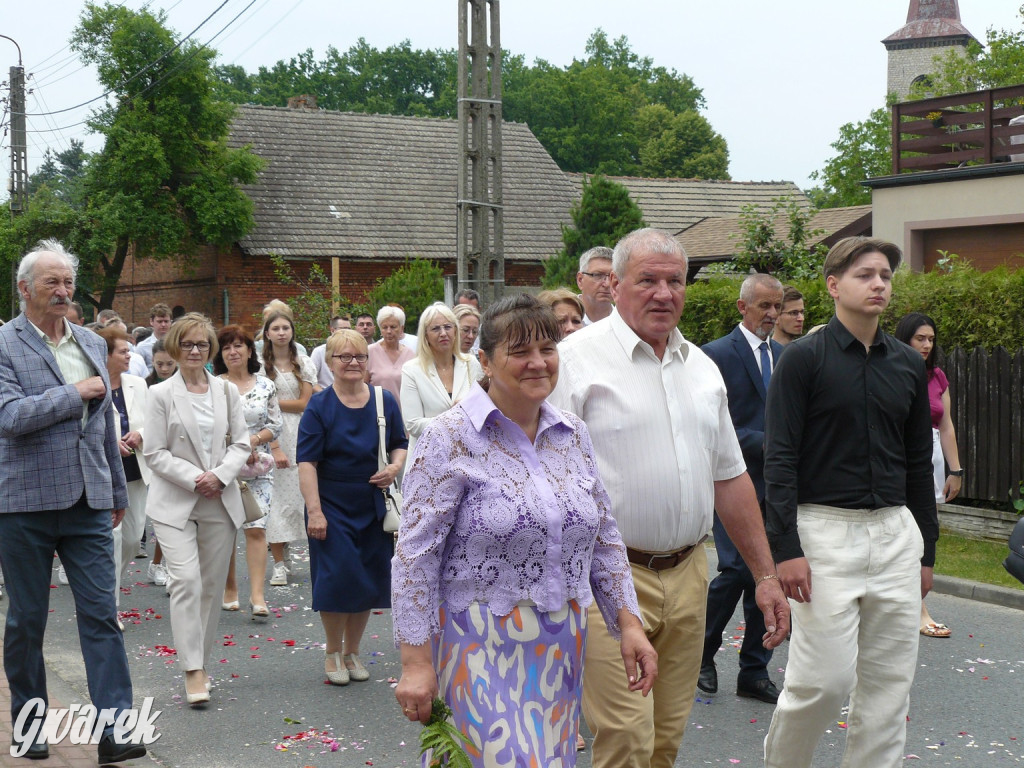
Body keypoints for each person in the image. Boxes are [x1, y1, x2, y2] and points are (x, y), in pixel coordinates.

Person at [549, 228, 788, 768]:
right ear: (613, 284)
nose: (663, 293)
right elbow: (547, 481)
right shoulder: (575, 362)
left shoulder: (703, 370)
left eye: (674, 281)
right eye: (647, 280)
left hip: (688, 574)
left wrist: (766, 576)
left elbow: (730, 479)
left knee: (664, 741)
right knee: (626, 740)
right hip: (606, 579)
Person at [393, 294, 657, 766]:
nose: (537, 363)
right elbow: (415, 555)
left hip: (560, 644)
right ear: (485, 362)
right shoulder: (448, 436)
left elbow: (604, 540)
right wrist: (415, 663)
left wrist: (629, 625)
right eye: (519, 352)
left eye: (547, 349)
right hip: (476, 642)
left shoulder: (571, 433)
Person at [762, 237, 939, 768]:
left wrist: (926, 551)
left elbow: (916, 465)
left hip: (894, 535)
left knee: (889, 689)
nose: (879, 284)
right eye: (865, 274)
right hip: (823, 534)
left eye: (885, 274)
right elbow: (781, 459)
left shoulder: (909, 364)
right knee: (822, 681)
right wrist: (785, 547)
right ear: (834, 285)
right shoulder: (801, 360)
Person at [0, 240, 145, 764]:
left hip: (87, 501)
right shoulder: (3, 344)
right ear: (24, 289)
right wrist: (74, 393)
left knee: (102, 613)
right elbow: (10, 418)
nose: (62, 292)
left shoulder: (87, 339)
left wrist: (113, 490)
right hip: (23, 505)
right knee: (27, 620)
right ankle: (30, 723)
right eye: (50, 283)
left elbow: (106, 421)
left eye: (67, 283)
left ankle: (116, 731)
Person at [143, 313, 251, 707]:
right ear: (175, 346)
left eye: (202, 344)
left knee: (209, 588)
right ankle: (190, 670)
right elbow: (153, 452)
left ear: (211, 350)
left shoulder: (226, 392)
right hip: (175, 503)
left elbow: (241, 443)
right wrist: (196, 478)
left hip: (219, 500)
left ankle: (200, 664)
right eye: (187, 344)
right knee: (186, 581)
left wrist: (219, 476)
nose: (194, 350)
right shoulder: (159, 394)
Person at [298, 329, 408, 685]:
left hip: (372, 503)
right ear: (330, 363)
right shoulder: (319, 405)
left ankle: (352, 651)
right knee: (337, 576)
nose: (352, 363)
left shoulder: (383, 400)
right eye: (344, 357)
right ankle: (332, 651)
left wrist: (394, 467)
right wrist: (314, 511)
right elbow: (307, 463)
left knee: (365, 579)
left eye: (359, 356)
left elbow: (399, 443)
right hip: (330, 502)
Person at [698, 274, 785, 704]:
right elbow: (711, 420)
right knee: (734, 570)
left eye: (778, 306)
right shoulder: (715, 355)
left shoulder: (786, 356)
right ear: (742, 307)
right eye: (764, 306)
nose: (772, 314)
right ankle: (703, 653)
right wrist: (764, 442)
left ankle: (753, 670)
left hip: (777, 485)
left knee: (766, 578)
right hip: (731, 480)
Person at [895, 311, 963, 639]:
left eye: (931, 339)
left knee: (926, 533)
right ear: (904, 338)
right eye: (919, 338)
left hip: (931, 463)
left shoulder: (937, 377)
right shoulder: (891, 370)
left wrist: (956, 470)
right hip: (898, 460)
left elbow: (946, 425)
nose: (926, 344)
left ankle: (918, 606)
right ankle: (910, 608)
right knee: (899, 535)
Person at [213, 325, 282, 619]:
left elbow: (275, 424)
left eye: (238, 345)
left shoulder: (266, 385)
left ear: (250, 350)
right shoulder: (213, 385)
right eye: (227, 347)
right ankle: (230, 589)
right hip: (224, 466)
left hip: (258, 466)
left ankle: (257, 595)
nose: (233, 351)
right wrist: (235, 446)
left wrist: (252, 441)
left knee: (256, 528)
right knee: (227, 530)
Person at [97, 326, 152, 627]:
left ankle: (105, 588)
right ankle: (109, 605)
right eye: (123, 351)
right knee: (113, 538)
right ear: (105, 355)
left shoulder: (137, 384)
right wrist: (111, 442)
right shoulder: (94, 385)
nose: (130, 354)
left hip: (135, 471)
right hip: (104, 473)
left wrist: (140, 434)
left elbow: (154, 423)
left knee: (132, 539)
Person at [260, 310, 315, 586]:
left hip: (302, 431)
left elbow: (305, 403)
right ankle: (279, 563)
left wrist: (268, 401)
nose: (281, 332)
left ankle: (294, 549)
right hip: (273, 433)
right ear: (267, 333)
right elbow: (261, 412)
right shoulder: (259, 365)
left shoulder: (303, 363)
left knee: (302, 498)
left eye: (286, 328)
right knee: (277, 501)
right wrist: (275, 445)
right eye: (276, 328)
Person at [400, 303, 482, 458]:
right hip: (428, 457)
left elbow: (483, 407)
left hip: (467, 455)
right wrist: (455, 416)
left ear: (455, 331)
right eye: (435, 328)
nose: (443, 333)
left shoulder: (471, 363)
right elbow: (413, 424)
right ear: (425, 336)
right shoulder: (411, 370)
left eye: (447, 327)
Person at [145, 339, 177, 587]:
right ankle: (158, 564)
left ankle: (164, 564)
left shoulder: (184, 384)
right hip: (154, 455)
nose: (164, 369)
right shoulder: (146, 386)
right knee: (162, 517)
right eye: (159, 364)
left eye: (169, 363)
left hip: (179, 453)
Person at [367, 306, 416, 404]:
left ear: (401, 328)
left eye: (393, 327)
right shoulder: (369, 352)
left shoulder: (410, 355)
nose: (389, 331)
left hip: (404, 413)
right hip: (378, 413)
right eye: (385, 327)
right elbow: (363, 386)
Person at [309, 316, 351, 390]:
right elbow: (310, 379)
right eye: (343, 329)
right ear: (332, 330)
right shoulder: (319, 352)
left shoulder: (354, 352)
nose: (347, 333)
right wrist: (324, 395)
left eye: (349, 330)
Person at [576, 245, 614, 324]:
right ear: (580, 280)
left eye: (612, 277)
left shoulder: (628, 322)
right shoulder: (559, 321)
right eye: (598, 275)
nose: (607, 284)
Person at [136, 303, 172, 372]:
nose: (163, 325)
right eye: (160, 321)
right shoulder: (142, 347)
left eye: (166, 321)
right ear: (151, 322)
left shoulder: (177, 344)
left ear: (171, 322)